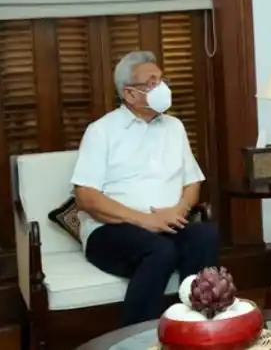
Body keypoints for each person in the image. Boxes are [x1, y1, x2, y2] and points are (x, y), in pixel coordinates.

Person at [72, 50, 219, 325]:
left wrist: (179, 210)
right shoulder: (101, 131)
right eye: (152, 83)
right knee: (160, 251)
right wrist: (147, 221)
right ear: (129, 94)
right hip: (110, 231)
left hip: (166, 226)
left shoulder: (174, 127)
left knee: (205, 236)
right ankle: (136, 338)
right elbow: (86, 198)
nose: (162, 88)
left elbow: (192, 182)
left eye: (162, 80)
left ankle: (195, 326)